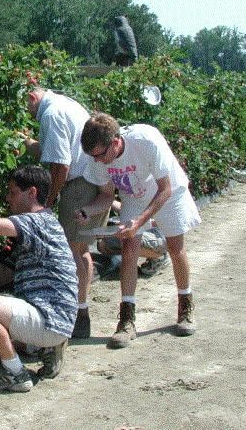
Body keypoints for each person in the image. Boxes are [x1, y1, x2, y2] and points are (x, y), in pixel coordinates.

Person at [78, 113, 200, 348]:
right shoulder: (99, 158)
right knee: (129, 246)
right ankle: (126, 320)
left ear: (115, 142)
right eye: (92, 156)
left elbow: (165, 189)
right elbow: (106, 196)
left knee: (175, 247)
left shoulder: (146, 141)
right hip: (135, 194)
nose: (98, 162)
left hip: (169, 192)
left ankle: (185, 306)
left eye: (101, 155)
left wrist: (140, 221)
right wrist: (87, 211)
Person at [0, 166, 79, 392]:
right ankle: (46, 348)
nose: (7, 198)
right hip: (51, 317)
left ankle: (15, 374)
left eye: (12, 192)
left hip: (49, 318)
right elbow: (3, 276)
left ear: (32, 192)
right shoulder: (35, 233)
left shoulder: (39, 221)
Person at [19, 87, 108, 339]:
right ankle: (80, 310)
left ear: (33, 98)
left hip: (79, 186)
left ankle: (77, 315)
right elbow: (54, 149)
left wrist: (49, 199)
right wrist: (27, 144)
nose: (27, 112)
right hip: (90, 180)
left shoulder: (51, 114)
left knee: (72, 251)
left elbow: (60, 165)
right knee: (81, 249)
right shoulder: (65, 104)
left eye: (26, 105)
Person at [96, 200, 170, 278]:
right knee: (103, 244)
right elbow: (121, 207)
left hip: (160, 234)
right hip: (147, 231)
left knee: (127, 238)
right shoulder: (131, 199)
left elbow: (154, 221)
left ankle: (159, 257)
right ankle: (123, 259)